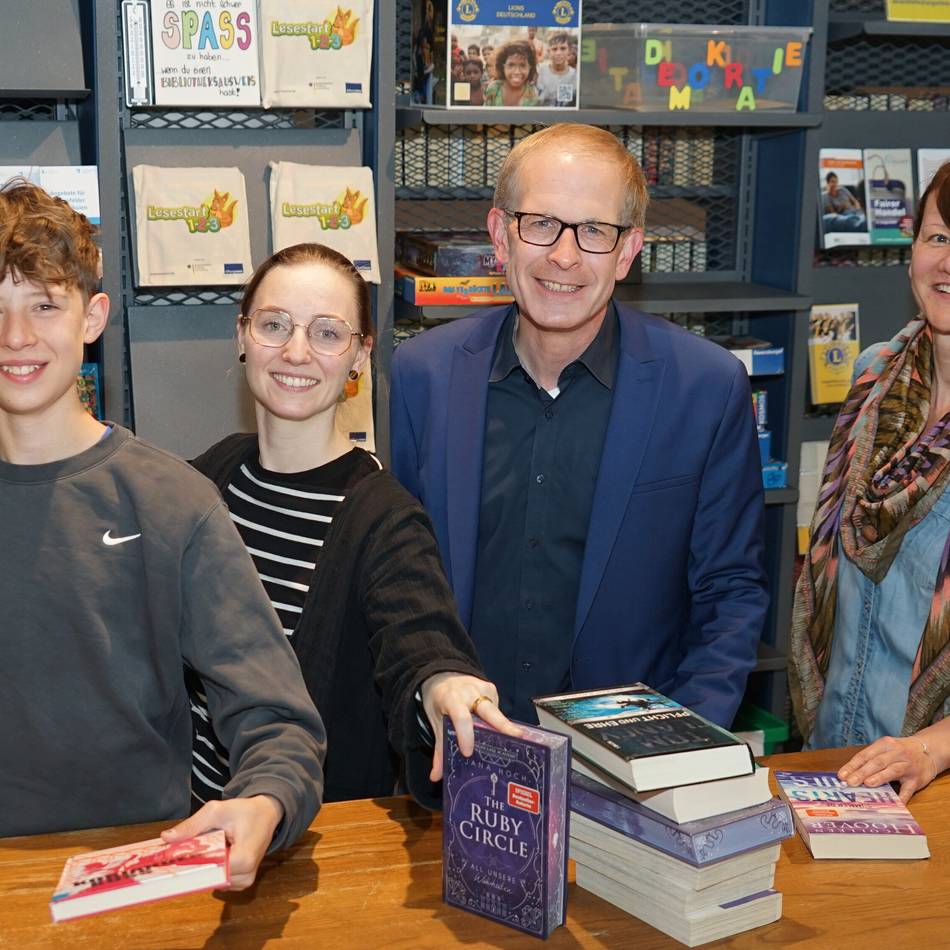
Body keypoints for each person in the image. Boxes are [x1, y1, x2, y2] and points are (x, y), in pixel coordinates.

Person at [0, 180, 325, 890]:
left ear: (92, 317)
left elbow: (278, 723)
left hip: (130, 876)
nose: (16, 337)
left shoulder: (171, 501)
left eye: (44, 305)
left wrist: (264, 801)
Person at [390, 124, 768, 728]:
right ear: (500, 236)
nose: (564, 256)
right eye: (540, 223)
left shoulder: (707, 388)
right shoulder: (422, 375)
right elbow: (398, 581)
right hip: (458, 757)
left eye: (594, 231)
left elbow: (731, 594)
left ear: (628, 252)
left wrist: (682, 750)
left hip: (630, 772)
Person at [188, 243, 516, 808]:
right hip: (185, 828)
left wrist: (444, 684)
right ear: (242, 336)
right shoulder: (207, 478)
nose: (296, 352)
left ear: (360, 357)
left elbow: (418, 636)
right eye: (274, 325)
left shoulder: (384, 520)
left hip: (302, 848)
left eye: (327, 333)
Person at [791, 162, 950, 802]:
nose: (947, 263)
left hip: (931, 776)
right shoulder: (873, 379)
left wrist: (930, 750)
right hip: (836, 753)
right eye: (939, 238)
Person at [484, 39, 541, 108]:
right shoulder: (494, 89)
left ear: (530, 68)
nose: (517, 72)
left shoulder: (533, 94)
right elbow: (486, 116)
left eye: (523, 65)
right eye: (511, 65)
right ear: (503, 66)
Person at [535, 31, 576, 106]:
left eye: (563, 48)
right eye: (554, 49)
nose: (558, 53)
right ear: (548, 51)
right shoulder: (539, 71)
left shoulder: (574, 76)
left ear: (569, 51)